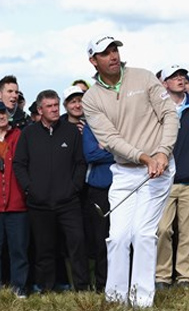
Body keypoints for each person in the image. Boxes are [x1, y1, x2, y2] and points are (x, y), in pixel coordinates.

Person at [82, 34, 178, 308]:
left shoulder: (144, 77)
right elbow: (110, 139)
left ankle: (141, 300)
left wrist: (162, 152)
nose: (113, 56)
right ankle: (115, 299)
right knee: (118, 237)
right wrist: (143, 157)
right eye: (105, 53)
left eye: (115, 50)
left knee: (143, 234)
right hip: (125, 171)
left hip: (159, 168)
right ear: (93, 60)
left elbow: (170, 115)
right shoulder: (91, 98)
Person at [13, 89, 89, 292]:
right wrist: (30, 188)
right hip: (39, 203)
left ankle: (82, 287)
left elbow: (80, 163)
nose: (55, 109)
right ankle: (46, 289)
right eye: (50, 106)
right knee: (44, 249)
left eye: (56, 105)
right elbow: (19, 163)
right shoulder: (28, 133)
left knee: (77, 244)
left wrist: (74, 187)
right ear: (40, 109)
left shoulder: (71, 132)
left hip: (68, 202)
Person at [155, 65, 189, 289]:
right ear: (164, 83)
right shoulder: (155, 110)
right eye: (173, 77)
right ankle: (162, 276)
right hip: (163, 181)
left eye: (181, 76)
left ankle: (184, 276)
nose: (179, 79)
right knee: (162, 230)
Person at [0, 99, 28, 298]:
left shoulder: (20, 136)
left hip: (17, 205)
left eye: (3, 112)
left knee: (18, 250)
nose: (1, 116)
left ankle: (19, 288)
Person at [82, 123, 114, 293]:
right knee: (101, 238)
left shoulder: (125, 122)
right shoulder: (91, 126)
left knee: (125, 236)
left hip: (126, 186)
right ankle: (102, 283)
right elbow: (91, 154)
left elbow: (135, 151)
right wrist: (118, 151)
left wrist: (106, 148)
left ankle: (125, 279)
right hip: (100, 188)